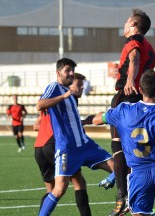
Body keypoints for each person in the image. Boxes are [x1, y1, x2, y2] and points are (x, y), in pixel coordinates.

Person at [90, 69, 155, 216]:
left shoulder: (124, 110)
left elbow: (97, 120)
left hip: (139, 173)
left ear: (140, 89)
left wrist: (90, 120)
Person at [37, 58, 114, 216]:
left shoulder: (71, 95)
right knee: (59, 190)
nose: (71, 73)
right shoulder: (55, 87)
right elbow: (40, 105)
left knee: (119, 166)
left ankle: (128, 204)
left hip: (85, 145)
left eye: (72, 70)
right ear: (58, 73)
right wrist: (63, 96)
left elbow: (74, 120)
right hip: (67, 149)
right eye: (67, 70)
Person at [109, 8, 155, 216]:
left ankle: (122, 198)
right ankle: (138, 197)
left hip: (125, 97)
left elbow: (135, 58)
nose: (125, 24)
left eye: (128, 21)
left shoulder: (133, 41)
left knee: (117, 147)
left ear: (134, 26)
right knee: (136, 150)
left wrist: (129, 80)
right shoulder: (151, 48)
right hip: (140, 99)